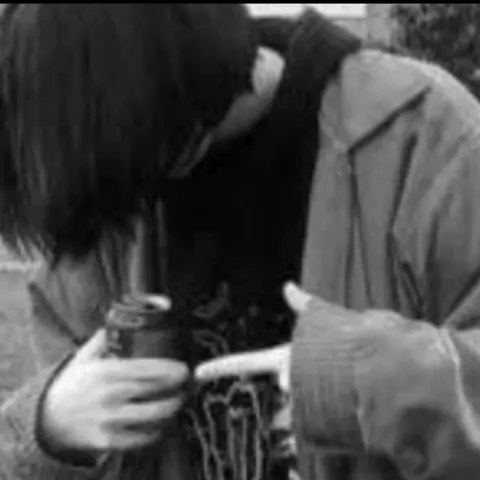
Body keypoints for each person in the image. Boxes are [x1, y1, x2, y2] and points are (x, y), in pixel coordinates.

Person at [1, 4, 480, 480]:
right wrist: (48, 428)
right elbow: (60, 370)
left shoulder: (423, 132)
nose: (120, 225)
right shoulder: (101, 184)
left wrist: (366, 384)